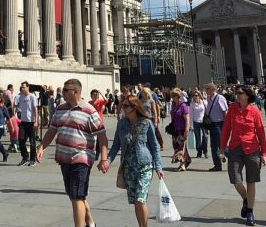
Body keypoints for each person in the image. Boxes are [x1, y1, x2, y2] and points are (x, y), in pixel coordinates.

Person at [36, 78, 107, 227]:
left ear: (75, 92)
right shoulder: (60, 108)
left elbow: (102, 135)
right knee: (74, 194)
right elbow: (52, 131)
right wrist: (42, 147)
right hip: (64, 158)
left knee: (76, 196)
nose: (62, 92)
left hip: (81, 158)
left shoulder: (89, 110)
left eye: (65, 90)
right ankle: (90, 221)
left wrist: (104, 159)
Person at [100, 95, 163, 227]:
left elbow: (154, 146)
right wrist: (107, 161)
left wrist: (158, 167)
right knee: (135, 201)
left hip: (144, 166)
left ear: (135, 107)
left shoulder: (146, 122)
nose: (122, 108)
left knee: (140, 200)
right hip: (128, 167)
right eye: (122, 105)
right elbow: (116, 145)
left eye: (126, 106)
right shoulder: (121, 124)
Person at [219, 85, 266, 227]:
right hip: (235, 148)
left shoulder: (254, 111)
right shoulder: (232, 110)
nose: (238, 95)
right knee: (235, 178)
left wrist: (264, 153)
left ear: (247, 95)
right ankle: (246, 199)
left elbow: (261, 134)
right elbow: (226, 130)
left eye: (240, 93)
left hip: (252, 148)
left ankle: (250, 212)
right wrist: (222, 148)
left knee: (251, 180)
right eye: (236, 93)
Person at [205, 82, 229, 171]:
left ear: (212, 89)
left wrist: (226, 126)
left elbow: (225, 112)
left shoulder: (220, 98)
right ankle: (217, 165)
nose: (205, 90)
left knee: (222, 145)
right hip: (212, 125)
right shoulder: (209, 98)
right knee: (213, 146)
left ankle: (235, 158)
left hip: (219, 124)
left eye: (207, 88)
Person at [16, 81, 38, 166]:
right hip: (23, 122)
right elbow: (19, 108)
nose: (22, 88)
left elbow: (35, 109)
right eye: (21, 87)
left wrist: (36, 121)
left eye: (24, 87)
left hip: (31, 122)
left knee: (32, 142)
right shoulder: (20, 97)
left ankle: (32, 160)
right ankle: (25, 158)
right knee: (21, 140)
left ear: (28, 87)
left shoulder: (32, 97)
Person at [169, 88, 191, 170]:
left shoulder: (183, 106)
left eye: (175, 96)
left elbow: (187, 119)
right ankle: (187, 160)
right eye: (173, 96)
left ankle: (182, 165)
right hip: (175, 130)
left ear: (178, 97)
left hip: (182, 129)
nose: (173, 98)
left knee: (180, 147)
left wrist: (186, 129)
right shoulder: (173, 105)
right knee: (176, 146)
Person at [189, 89, 207, 158]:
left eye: (196, 95)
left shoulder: (203, 102)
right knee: (197, 138)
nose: (195, 96)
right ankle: (199, 152)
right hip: (196, 122)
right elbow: (191, 115)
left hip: (203, 122)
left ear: (199, 96)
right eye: (193, 95)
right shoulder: (192, 104)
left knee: (205, 137)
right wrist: (191, 125)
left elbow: (207, 109)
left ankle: (205, 151)